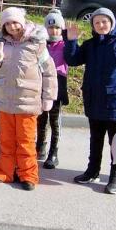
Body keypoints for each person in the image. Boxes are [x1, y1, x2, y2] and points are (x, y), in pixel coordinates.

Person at [64, 7, 116, 195]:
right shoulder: (91, 44)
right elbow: (73, 59)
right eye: (97, 22)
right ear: (93, 25)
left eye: (104, 21)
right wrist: (71, 40)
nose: (101, 25)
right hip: (94, 100)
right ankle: (92, 171)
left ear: (112, 22)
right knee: (96, 139)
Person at [0, 7, 57, 189]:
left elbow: (49, 71)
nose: (12, 26)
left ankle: (28, 175)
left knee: (25, 141)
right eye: (7, 23)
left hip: (28, 101)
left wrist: (49, 97)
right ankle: (5, 171)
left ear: (23, 22)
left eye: (15, 22)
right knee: (6, 139)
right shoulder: (1, 43)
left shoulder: (37, 43)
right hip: (5, 100)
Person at [38, 10, 70, 168]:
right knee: (41, 119)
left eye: (57, 27)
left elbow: (73, 57)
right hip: (41, 83)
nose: (54, 31)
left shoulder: (65, 44)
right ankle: (40, 146)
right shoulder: (41, 43)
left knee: (54, 121)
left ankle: (53, 152)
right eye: (50, 27)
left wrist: (72, 41)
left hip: (59, 83)